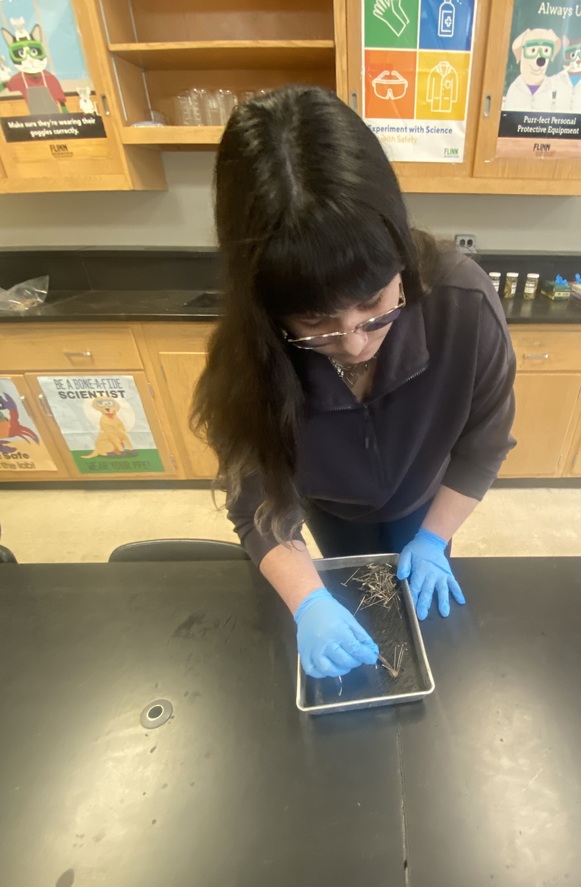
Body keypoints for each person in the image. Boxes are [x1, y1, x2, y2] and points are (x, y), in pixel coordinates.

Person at [192, 86, 516, 680]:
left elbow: (484, 444)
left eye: (374, 304)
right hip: (330, 508)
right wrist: (307, 601)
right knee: (348, 593)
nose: (356, 344)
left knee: (428, 627)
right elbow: (258, 502)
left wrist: (434, 538)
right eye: (315, 322)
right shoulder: (247, 353)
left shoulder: (462, 304)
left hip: (428, 499)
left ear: (399, 260)